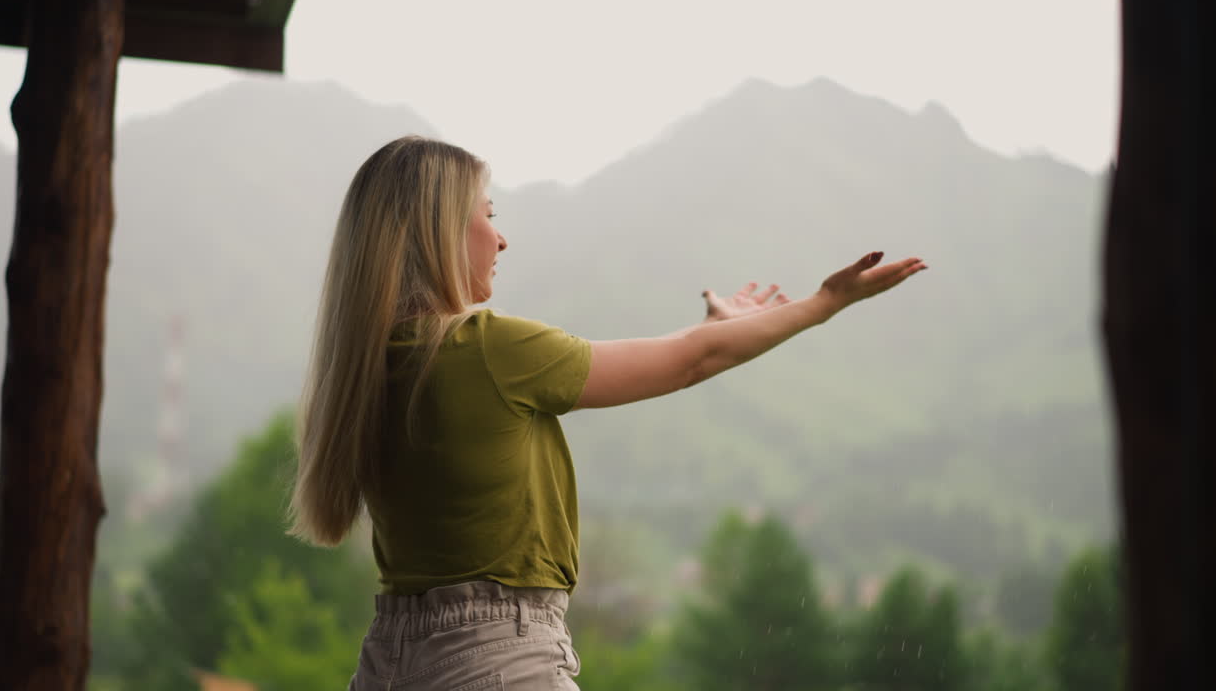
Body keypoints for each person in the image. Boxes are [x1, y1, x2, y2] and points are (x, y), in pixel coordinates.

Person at [288, 136, 926, 691]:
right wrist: (824, 303)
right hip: (495, 656)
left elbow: (684, 351)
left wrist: (708, 330)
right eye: (487, 214)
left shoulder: (366, 367)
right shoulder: (485, 348)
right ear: (438, 232)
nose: (501, 236)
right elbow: (689, 362)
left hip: (388, 661)